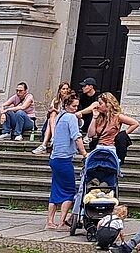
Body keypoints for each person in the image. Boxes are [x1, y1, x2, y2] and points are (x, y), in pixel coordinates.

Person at [47, 97, 87, 230]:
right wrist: (84, 153)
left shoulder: (60, 116)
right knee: (69, 191)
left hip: (54, 158)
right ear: (67, 105)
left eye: (77, 106)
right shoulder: (70, 118)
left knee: (55, 189)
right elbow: (76, 136)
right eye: (74, 106)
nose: (76, 109)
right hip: (64, 159)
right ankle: (62, 222)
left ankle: (50, 221)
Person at [89, 92, 140, 158]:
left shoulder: (118, 117)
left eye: (100, 103)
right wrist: (94, 117)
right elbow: (90, 134)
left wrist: (122, 134)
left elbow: (135, 123)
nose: (98, 106)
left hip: (111, 148)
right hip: (98, 147)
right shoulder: (100, 117)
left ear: (108, 104)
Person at [34, 82, 75, 155]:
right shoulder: (55, 101)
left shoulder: (70, 100)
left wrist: (56, 111)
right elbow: (48, 116)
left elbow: (70, 113)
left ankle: (45, 144)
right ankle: (51, 138)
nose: (65, 91)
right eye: (63, 89)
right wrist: (50, 111)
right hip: (55, 120)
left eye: (66, 89)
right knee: (51, 116)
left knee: (52, 116)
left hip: (65, 120)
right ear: (60, 90)